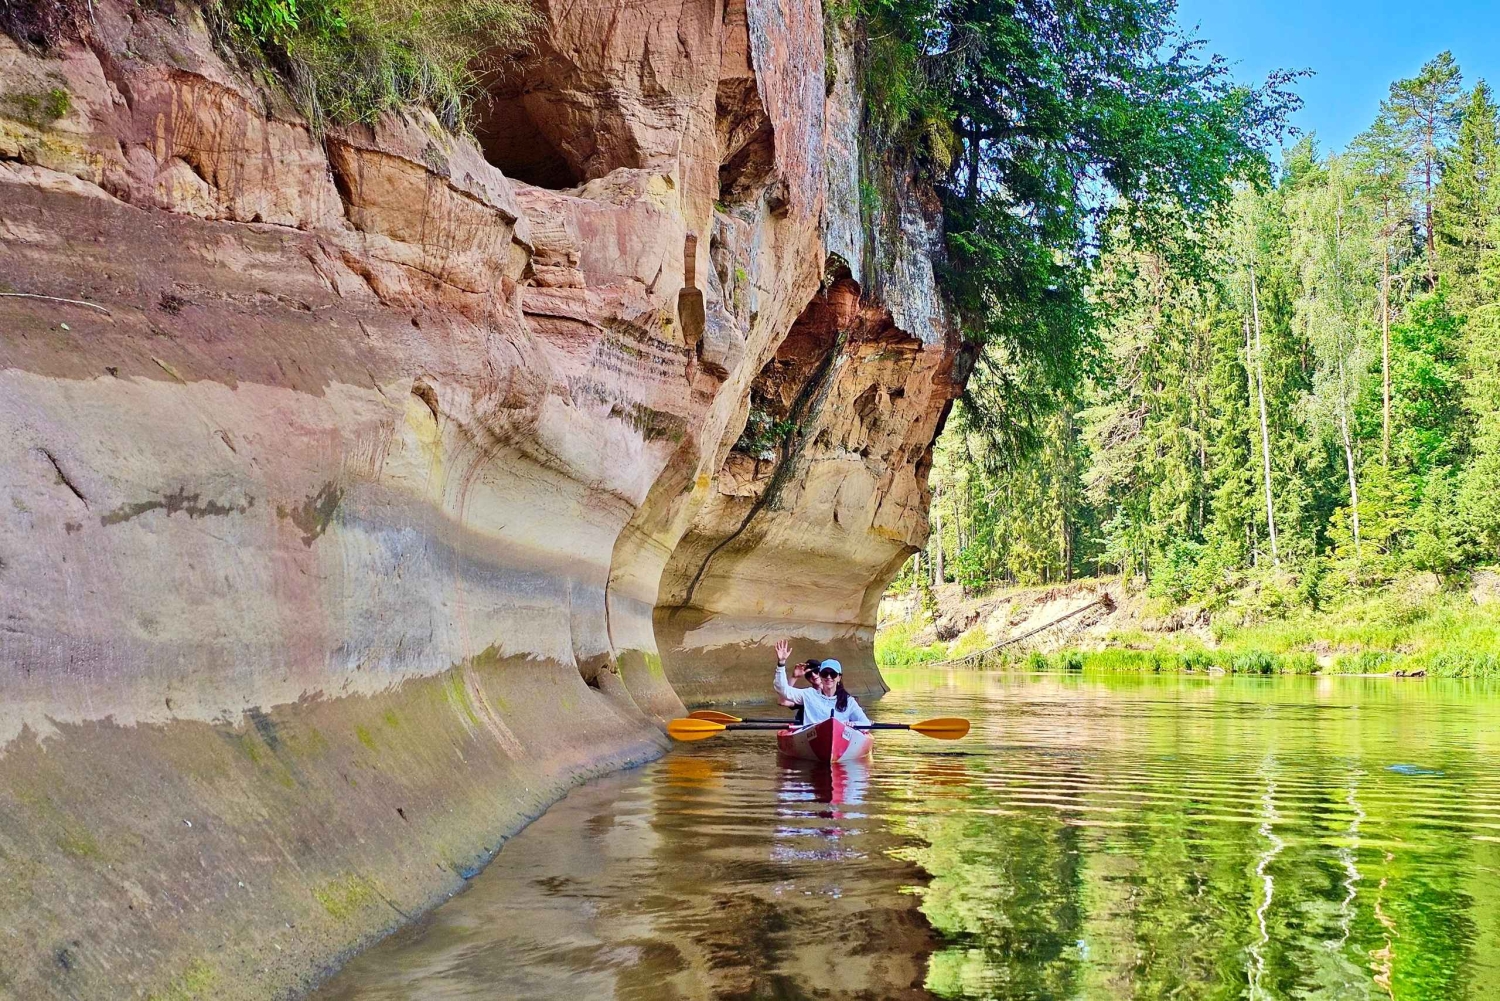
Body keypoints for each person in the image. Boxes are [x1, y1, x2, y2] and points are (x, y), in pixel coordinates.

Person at [772, 639, 871, 727]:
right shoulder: (808, 694)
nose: (828, 677)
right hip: (810, 735)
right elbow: (783, 690)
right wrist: (781, 663)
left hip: (841, 736)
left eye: (833, 674)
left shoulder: (848, 701)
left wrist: (853, 724)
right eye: (825, 673)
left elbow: (865, 723)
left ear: (839, 677)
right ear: (821, 676)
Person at [779, 660, 821, 725]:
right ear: (807, 678)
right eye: (809, 674)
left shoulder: (836, 694)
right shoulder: (806, 695)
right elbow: (782, 702)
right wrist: (794, 677)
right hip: (805, 728)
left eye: (816, 671)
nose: (814, 675)